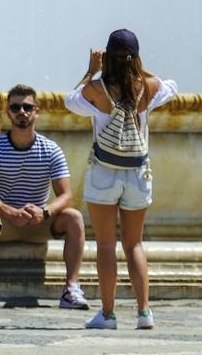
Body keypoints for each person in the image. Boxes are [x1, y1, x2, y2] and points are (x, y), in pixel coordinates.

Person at [66, 29, 177, 330]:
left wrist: (91, 70)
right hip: (138, 175)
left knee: (105, 245)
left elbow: (70, 101)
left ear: (106, 55)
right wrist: (139, 66)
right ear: (136, 57)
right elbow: (172, 86)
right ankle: (144, 313)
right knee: (134, 244)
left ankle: (108, 314)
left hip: (104, 171)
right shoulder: (149, 87)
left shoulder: (98, 88)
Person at [0, 84, 87, 310]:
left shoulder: (51, 149)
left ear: (37, 111)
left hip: (40, 222)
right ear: (8, 113)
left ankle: (71, 289)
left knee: (74, 217)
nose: (21, 112)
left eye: (27, 107)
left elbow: (66, 196)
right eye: (15, 107)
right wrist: (9, 212)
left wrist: (44, 212)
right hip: (6, 223)